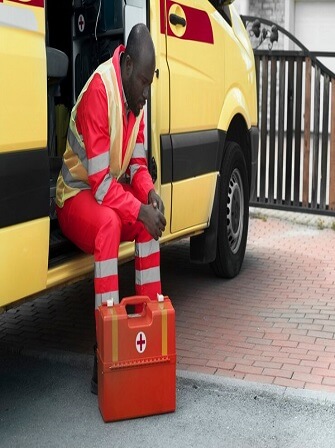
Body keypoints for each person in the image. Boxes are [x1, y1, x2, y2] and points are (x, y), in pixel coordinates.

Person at [55, 23, 166, 394]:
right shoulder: (101, 91)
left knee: (149, 224)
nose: (147, 94)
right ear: (129, 65)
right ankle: (104, 349)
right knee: (109, 225)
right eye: (146, 83)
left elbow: (136, 167)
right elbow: (102, 184)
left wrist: (150, 195)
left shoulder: (135, 97)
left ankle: (146, 334)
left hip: (101, 193)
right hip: (74, 197)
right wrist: (138, 209)